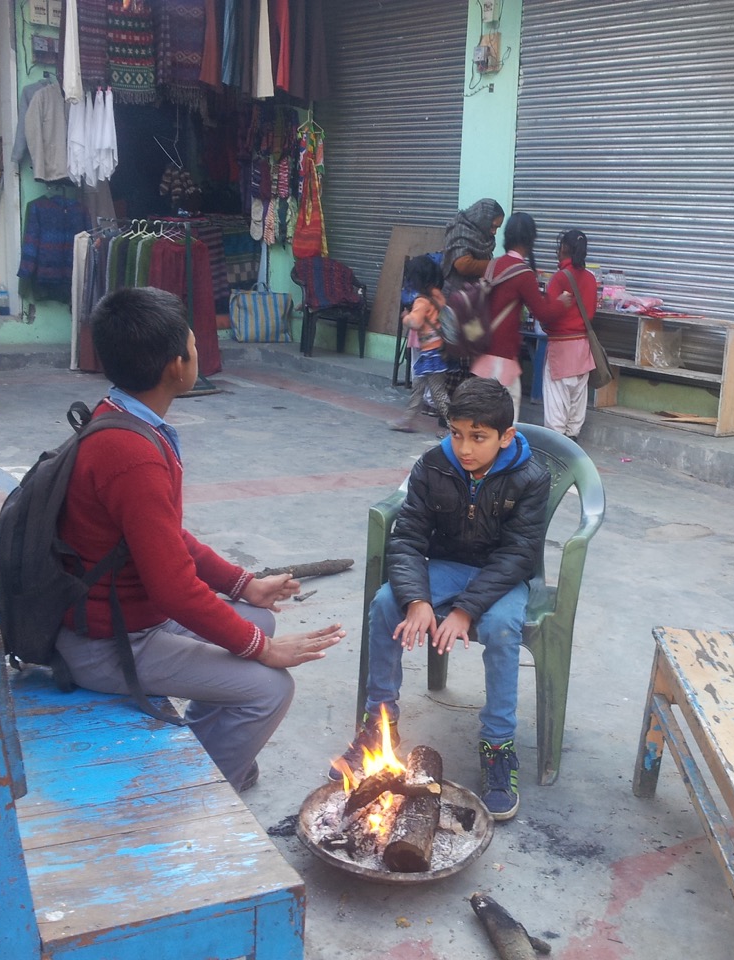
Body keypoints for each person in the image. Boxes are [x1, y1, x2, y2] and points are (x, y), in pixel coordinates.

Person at [55, 286, 345, 793]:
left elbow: (165, 535)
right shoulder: (131, 454)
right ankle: (196, 795)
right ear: (176, 366)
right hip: (106, 643)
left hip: (117, 619)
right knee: (270, 687)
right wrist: (262, 651)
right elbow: (173, 590)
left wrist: (243, 586)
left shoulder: (117, 414)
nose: (198, 351)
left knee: (258, 616)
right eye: (193, 343)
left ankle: (208, 748)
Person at [333, 378, 550, 821]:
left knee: (501, 627)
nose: (464, 448)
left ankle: (498, 745)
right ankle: (380, 723)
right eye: (456, 433)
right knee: (386, 603)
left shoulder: (531, 477)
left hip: (502, 575)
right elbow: (408, 537)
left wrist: (466, 610)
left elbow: (519, 554)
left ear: (506, 436)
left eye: (478, 437)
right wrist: (417, 599)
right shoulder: (433, 466)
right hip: (444, 567)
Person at [475, 212, 570, 421]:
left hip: (482, 350)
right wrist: (561, 303)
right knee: (507, 414)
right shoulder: (523, 274)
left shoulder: (493, 265)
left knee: (484, 410)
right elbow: (543, 313)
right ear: (530, 239)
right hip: (503, 355)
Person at [539, 229, 599, 440]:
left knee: (556, 403)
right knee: (577, 401)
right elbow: (590, 313)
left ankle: (557, 445)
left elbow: (548, 313)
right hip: (583, 348)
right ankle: (572, 441)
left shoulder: (559, 278)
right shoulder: (590, 278)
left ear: (564, 248)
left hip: (561, 347)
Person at [391, 254, 452, 432]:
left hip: (430, 354)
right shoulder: (438, 296)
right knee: (418, 387)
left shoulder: (421, 301)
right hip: (437, 351)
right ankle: (407, 420)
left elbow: (416, 323)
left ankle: (454, 428)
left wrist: (406, 317)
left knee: (438, 393)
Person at [442, 198, 505, 293]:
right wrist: (495, 265)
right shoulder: (460, 230)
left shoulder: (482, 235)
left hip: (473, 293)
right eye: (493, 226)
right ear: (483, 220)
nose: (494, 232)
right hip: (455, 293)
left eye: (497, 228)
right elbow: (463, 265)